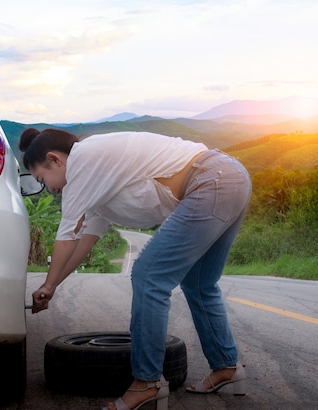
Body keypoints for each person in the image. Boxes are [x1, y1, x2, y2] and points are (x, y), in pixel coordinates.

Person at [20, 127, 251, 410]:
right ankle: (226, 365)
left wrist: (44, 286)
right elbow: (83, 243)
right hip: (230, 177)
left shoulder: (81, 161)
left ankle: (147, 382)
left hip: (209, 181)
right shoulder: (98, 181)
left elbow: (66, 236)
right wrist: (52, 286)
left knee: (149, 276)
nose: (47, 187)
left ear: (55, 159)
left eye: (42, 178)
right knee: (198, 284)